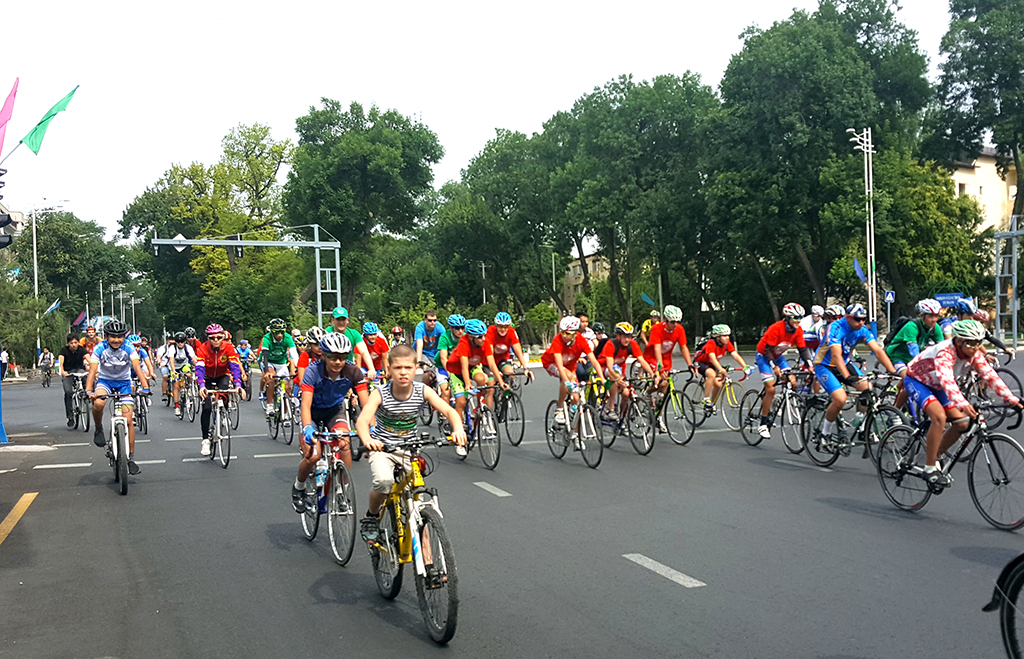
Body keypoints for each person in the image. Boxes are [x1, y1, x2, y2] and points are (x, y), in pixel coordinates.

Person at [355, 344, 466, 544]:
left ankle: (428, 560)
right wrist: (368, 440)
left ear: (417, 368)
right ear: (388, 369)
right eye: (398, 368)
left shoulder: (422, 390)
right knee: (384, 482)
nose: (403, 373)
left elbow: (449, 411)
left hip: (410, 448)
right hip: (384, 448)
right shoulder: (380, 393)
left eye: (408, 367)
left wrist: (458, 428)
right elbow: (362, 421)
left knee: (418, 497)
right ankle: (372, 517)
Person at [903, 319, 1023, 487]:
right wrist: (963, 404)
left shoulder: (973, 354)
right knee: (939, 417)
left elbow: (990, 376)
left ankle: (935, 454)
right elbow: (947, 381)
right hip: (918, 381)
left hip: (937, 385)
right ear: (959, 341)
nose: (976, 348)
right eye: (972, 343)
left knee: (962, 423)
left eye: (979, 343)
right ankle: (929, 468)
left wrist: (1012, 400)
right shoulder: (945, 352)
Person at [294, 332, 373, 513]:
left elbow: (366, 405)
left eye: (342, 358)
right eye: (333, 357)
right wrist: (307, 428)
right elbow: (305, 405)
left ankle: (340, 490)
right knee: (313, 454)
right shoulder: (313, 371)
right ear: (323, 355)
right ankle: (299, 487)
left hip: (333, 411)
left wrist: (372, 428)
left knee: (344, 443)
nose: (337, 362)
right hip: (312, 412)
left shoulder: (353, 371)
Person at [812, 304, 898, 440]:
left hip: (845, 363)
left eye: (864, 319)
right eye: (858, 319)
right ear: (848, 317)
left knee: (868, 389)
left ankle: (862, 428)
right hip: (825, 365)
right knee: (840, 399)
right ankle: (825, 433)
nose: (861, 323)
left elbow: (877, 351)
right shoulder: (835, 327)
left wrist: (893, 371)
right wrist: (847, 376)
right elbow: (836, 355)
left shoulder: (862, 330)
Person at [85, 319, 150, 475]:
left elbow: (136, 367)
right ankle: (99, 428)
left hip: (124, 383)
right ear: (107, 336)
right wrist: (88, 390)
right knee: (99, 404)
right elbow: (93, 370)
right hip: (105, 381)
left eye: (120, 336)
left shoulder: (129, 348)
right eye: (112, 336)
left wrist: (146, 386)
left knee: (129, 421)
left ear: (124, 337)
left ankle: (130, 458)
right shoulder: (100, 348)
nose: (116, 340)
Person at [445, 319, 506, 455]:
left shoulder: (485, 343)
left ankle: (481, 408)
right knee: (460, 402)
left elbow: (492, 364)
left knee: (482, 379)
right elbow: (463, 367)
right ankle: (458, 433)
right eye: (480, 337)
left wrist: (501, 382)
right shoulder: (464, 344)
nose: (483, 339)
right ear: (472, 337)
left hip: (473, 367)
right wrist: (467, 384)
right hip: (457, 372)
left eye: (484, 335)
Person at [754, 302, 813, 440]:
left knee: (793, 381)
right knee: (770, 388)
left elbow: (803, 349)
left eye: (800, 317)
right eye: (795, 317)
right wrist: (775, 367)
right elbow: (768, 351)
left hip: (778, 356)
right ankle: (763, 423)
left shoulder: (798, 331)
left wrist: (810, 365)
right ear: (787, 318)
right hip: (764, 356)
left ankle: (778, 400)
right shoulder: (776, 329)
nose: (798, 320)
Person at [542, 316, 605, 426]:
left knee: (576, 397)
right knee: (567, 378)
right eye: (563, 332)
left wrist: (603, 379)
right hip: (551, 364)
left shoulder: (581, 341)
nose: (564, 336)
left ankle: (573, 430)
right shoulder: (558, 340)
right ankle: (559, 409)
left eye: (568, 333)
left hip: (570, 367)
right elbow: (560, 365)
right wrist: (567, 382)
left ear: (575, 333)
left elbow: (594, 362)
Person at [195, 323, 245, 457]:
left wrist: (238, 385)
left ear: (223, 337)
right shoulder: (202, 348)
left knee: (225, 392)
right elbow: (199, 368)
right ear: (208, 338)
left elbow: (234, 366)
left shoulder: (228, 347)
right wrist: (201, 386)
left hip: (222, 375)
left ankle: (223, 412)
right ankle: (205, 439)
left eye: (219, 337)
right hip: (206, 377)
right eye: (212, 338)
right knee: (206, 408)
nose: (216, 340)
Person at [600, 322, 654, 420]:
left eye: (629, 336)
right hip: (606, 369)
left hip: (621, 372)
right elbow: (610, 366)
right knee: (615, 377)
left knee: (626, 393)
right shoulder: (610, 344)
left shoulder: (632, 344)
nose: (627, 339)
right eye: (625, 336)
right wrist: (617, 378)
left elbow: (642, 360)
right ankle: (611, 408)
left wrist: (652, 374)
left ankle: (622, 418)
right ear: (618, 336)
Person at [693, 324, 752, 413]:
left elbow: (735, 355)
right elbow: (712, 358)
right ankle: (706, 398)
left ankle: (711, 404)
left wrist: (745, 366)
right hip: (701, 362)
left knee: (719, 384)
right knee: (711, 374)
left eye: (728, 335)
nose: (727, 338)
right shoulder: (711, 343)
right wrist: (721, 369)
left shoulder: (726, 344)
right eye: (724, 336)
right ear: (717, 337)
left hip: (712, 363)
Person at [260, 318, 298, 417]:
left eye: (282, 332)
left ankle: (285, 412)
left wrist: (296, 370)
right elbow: (265, 356)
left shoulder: (288, 338)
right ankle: (270, 405)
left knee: (287, 385)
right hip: (269, 361)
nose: (280, 335)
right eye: (277, 333)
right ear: (272, 332)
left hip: (281, 363)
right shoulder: (267, 338)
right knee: (271, 378)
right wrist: (266, 371)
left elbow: (294, 354)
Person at [486, 312, 534, 386]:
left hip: (502, 359)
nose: (503, 329)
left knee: (511, 374)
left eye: (505, 327)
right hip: (489, 361)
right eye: (500, 326)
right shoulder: (490, 331)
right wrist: (495, 371)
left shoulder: (512, 331)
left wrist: (525, 368)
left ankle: (505, 394)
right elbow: (490, 353)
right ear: (496, 325)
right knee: (493, 380)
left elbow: (518, 350)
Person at [325, 306, 375, 372]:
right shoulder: (326, 333)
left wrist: (371, 369)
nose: (341, 322)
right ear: (333, 321)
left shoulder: (354, 334)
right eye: (338, 319)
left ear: (348, 320)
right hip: (330, 369)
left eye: (343, 319)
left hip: (347, 369)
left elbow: (363, 351)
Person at [434, 314, 466, 404]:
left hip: (457, 366)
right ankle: (443, 415)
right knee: (446, 391)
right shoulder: (444, 337)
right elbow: (443, 358)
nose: (460, 331)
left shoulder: (465, 337)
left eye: (462, 328)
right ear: (451, 328)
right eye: (457, 328)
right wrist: (449, 372)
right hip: (442, 366)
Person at [58, 333, 89, 427]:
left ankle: (87, 396)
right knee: (68, 392)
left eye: (76, 342)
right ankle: (70, 417)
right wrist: (62, 371)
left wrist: (92, 369)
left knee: (88, 381)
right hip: (68, 372)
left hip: (79, 370)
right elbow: (61, 362)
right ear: (68, 344)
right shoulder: (64, 351)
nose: (74, 345)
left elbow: (89, 359)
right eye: (71, 343)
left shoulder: (82, 349)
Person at [168, 331, 198, 418]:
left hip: (184, 365)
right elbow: (171, 360)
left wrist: (199, 367)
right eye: (178, 342)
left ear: (185, 341)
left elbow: (193, 358)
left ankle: (188, 388)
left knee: (188, 374)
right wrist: (173, 371)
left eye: (182, 342)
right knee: (176, 385)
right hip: (174, 367)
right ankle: (177, 406)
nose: (180, 344)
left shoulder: (188, 348)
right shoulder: (172, 348)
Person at [413, 311, 444, 380]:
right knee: (427, 370)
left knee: (438, 372)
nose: (432, 322)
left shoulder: (440, 328)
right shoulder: (420, 327)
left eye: (434, 320)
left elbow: (444, 344)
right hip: (422, 353)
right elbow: (419, 344)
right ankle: (426, 387)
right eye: (430, 320)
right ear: (425, 320)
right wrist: (418, 361)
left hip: (434, 354)